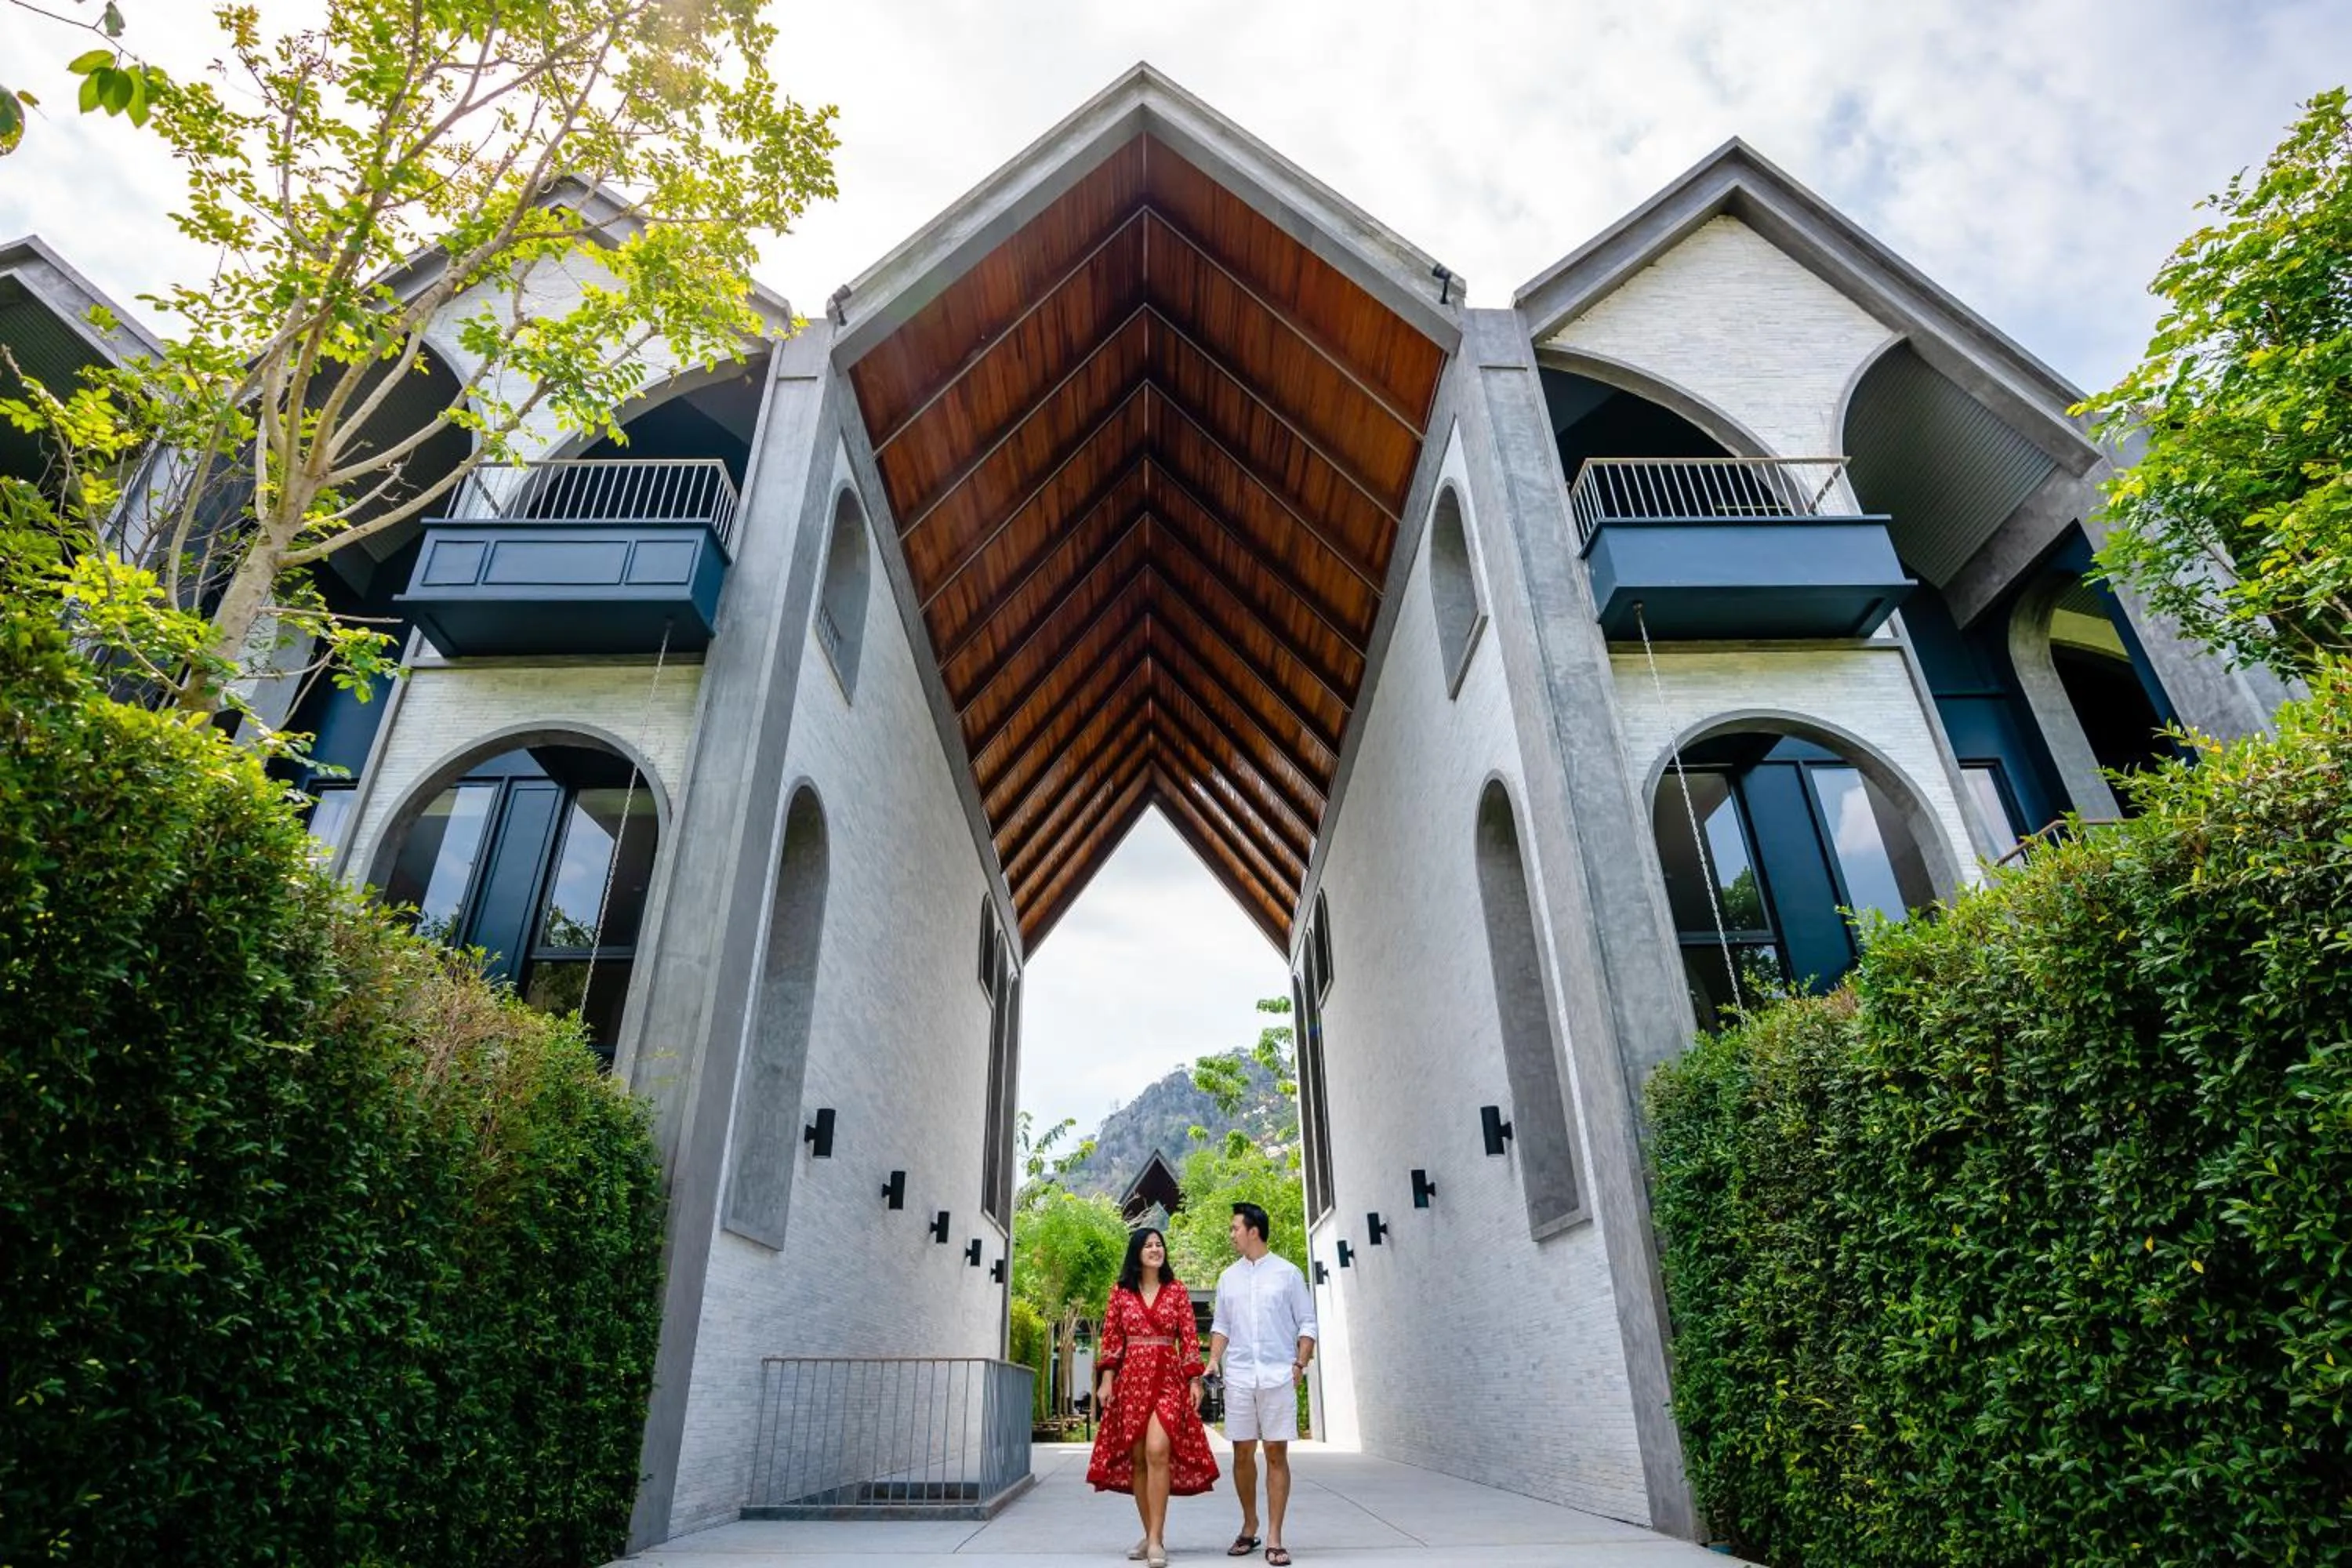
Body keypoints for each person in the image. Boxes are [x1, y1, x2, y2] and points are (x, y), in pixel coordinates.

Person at [1087, 1226, 1219, 1567]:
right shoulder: (1121, 1292)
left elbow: (1189, 1338)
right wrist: (1106, 1380)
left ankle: (1156, 1540)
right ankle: (1150, 1534)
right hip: (1131, 1381)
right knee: (1138, 1459)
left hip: (1168, 1379)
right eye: (1148, 1245)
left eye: (1159, 1244)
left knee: (1158, 1450)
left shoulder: (1176, 1291)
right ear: (1137, 1252)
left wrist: (1194, 1380)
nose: (1156, 1249)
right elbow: (1112, 1338)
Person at [1204, 1202, 1316, 1566]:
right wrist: (1213, 1361)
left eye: (1235, 1228)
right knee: (1241, 1453)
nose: (1231, 1235)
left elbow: (1307, 1323)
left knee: (1275, 1454)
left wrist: (1300, 1362)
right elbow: (1221, 1325)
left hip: (1278, 1376)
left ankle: (1274, 1536)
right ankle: (1250, 1524)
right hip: (1239, 1376)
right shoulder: (1228, 1277)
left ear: (1254, 1231)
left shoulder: (1288, 1274)